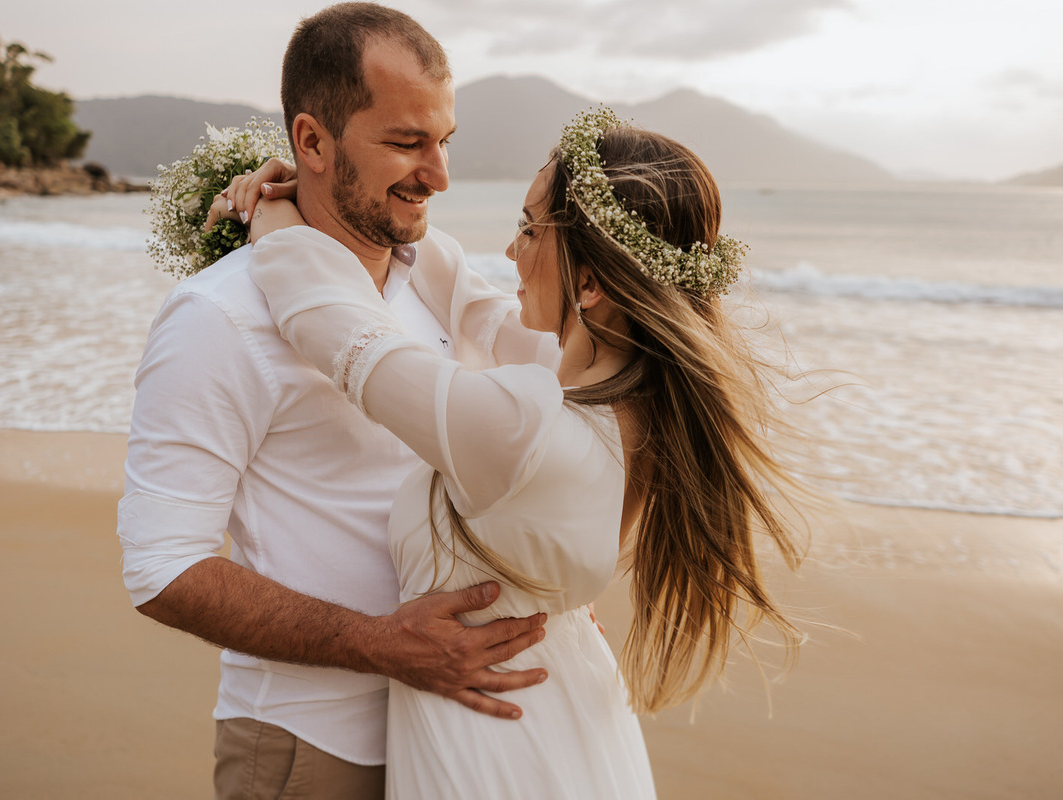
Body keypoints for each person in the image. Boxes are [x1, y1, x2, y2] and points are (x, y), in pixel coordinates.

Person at [243, 106, 809, 798]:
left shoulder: (523, 426)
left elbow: (337, 330)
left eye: (528, 229)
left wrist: (273, 223)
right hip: (574, 716)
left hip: (491, 749)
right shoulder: (647, 405)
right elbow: (478, 305)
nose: (511, 253)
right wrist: (378, 215)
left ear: (593, 283)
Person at [117, 5, 556, 798]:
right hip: (311, 742)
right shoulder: (216, 318)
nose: (439, 174)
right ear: (312, 142)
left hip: (458, 741)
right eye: (404, 142)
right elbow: (161, 567)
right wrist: (378, 643)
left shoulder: (434, 275)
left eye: (444, 140)